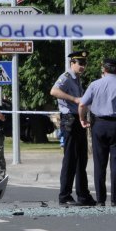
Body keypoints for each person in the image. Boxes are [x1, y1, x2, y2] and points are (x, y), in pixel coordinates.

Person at [79, 58, 116, 206]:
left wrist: (82, 119)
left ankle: (100, 199)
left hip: (98, 125)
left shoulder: (94, 85)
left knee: (99, 163)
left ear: (104, 70)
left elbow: (82, 104)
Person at [50, 51, 96, 206]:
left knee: (81, 159)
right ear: (72, 63)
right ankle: (65, 195)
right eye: (80, 63)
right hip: (69, 119)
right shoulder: (67, 77)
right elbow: (54, 91)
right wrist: (74, 99)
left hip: (78, 120)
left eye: (84, 63)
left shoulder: (77, 79)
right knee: (70, 159)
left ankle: (83, 195)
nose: (83, 66)